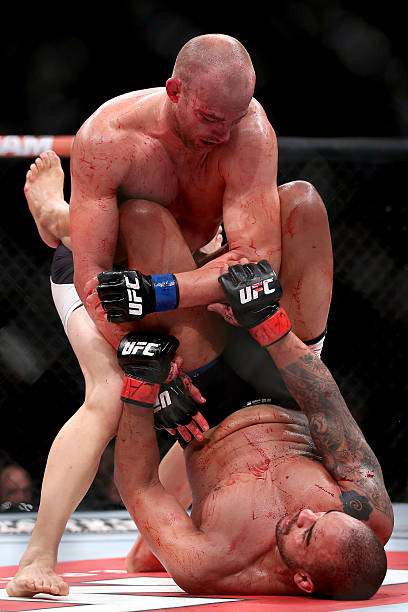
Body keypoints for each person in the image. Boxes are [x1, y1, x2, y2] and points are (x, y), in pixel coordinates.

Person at [7, 133, 332, 598]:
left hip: (204, 298)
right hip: (105, 273)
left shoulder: (247, 176)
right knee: (109, 392)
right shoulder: (139, 156)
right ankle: (39, 553)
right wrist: (148, 378)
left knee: (213, 417)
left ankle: (66, 222)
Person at [113, 259, 394, 600]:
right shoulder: (366, 513)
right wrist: (268, 321)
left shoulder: (208, 566)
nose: (305, 514)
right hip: (284, 388)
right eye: (324, 514)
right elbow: (328, 410)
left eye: (308, 533)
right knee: (288, 232)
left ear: (303, 581)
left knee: (153, 244)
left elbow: (140, 488)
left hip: (208, 409)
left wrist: (141, 387)